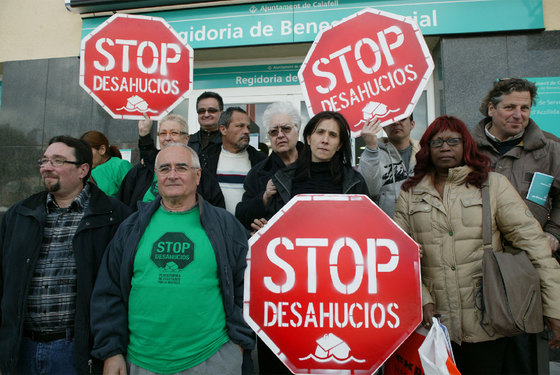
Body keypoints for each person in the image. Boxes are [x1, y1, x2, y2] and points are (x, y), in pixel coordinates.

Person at [392, 115, 560, 374]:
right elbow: (398, 255)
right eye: (437, 142)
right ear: (426, 148)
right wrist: (423, 297)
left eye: (453, 141)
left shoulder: (492, 185)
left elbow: (535, 246)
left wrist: (554, 307)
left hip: (488, 321)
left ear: (466, 145)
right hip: (434, 325)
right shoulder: (410, 192)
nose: (445, 147)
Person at [91, 143, 254, 375]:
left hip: (211, 360)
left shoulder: (226, 226)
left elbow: (247, 288)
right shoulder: (131, 227)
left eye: (181, 167)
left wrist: (237, 346)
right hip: (139, 363)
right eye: (165, 169)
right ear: (156, 177)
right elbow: (109, 292)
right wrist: (112, 351)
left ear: (197, 175)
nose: (173, 175)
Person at [0, 136, 131, 374]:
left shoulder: (114, 216)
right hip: (21, 348)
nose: (47, 167)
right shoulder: (20, 214)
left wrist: (112, 348)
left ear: (83, 170)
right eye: (45, 160)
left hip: (76, 350)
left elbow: (121, 291)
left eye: (58, 161)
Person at [471, 78, 560, 372]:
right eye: (509, 107)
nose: (518, 114)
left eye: (525, 107)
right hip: (481, 261)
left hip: (529, 263)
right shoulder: (468, 148)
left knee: (527, 352)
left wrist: (554, 231)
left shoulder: (550, 148)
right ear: (491, 108)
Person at [117, 113, 224, 210]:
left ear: (187, 138)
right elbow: (122, 208)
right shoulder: (141, 171)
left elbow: (215, 214)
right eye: (163, 133)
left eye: (174, 133)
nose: (167, 138)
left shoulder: (201, 175)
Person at [235, 102, 303, 230]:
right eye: (273, 132)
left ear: (297, 131)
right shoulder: (258, 172)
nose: (280, 135)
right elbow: (241, 216)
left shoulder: (316, 163)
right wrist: (264, 197)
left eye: (286, 129)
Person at [201, 107, 266, 214]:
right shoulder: (205, 159)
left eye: (248, 127)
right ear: (223, 129)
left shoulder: (260, 161)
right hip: (215, 227)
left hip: (249, 229)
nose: (246, 131)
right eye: (240, 126)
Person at [358, 114, 420, 217]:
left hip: (421, 227)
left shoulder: (424, 153)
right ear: (384, 127)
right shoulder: (373, 154)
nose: (396, 123)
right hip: (388, 227)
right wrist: (371, 149)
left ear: (412, 124)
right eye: (391, 120)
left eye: (402, 119)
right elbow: (369, 190)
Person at [80, 130, 133, 197]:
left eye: (87, 152)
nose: (85, 157)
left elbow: (133, 194)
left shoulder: (121, 166)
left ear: (102, 149)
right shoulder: (84, 172)